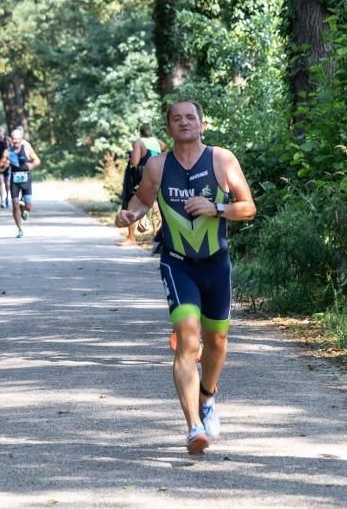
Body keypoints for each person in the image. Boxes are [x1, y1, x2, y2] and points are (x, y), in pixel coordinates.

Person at [113, 98, 256, 455]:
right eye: (176, 118)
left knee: (217, 342)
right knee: (188, 341)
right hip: (177, 264)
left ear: (202, 124)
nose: (184, 122)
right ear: (168, 128)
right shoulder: (158, 166)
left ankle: (207, 396)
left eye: (190, 117)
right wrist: (129, 216)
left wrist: (216, 208)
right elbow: (141, 201)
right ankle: (193, 427)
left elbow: (248, 208)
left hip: (216, 264)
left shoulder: (222, 160)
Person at [117, 124, 166, 247]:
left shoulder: (139, 142)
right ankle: (155, 237)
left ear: (141, 132)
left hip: (141, 174)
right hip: (158, 171)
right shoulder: (158, 142)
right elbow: (164, 151)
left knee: (133, 200)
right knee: (156, 204)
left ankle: (131, 237)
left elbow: (135, 162)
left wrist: (132, 152)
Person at [8, 127, 41, 238]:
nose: (15, 141)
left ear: (21, 139)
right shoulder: (8, 151)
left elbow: (37, 160)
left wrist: (32, 165)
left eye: (17, 139)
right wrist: (3, 165)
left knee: (29, 206)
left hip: (26, 178)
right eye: (13, 139)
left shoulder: (26, 148)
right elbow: (2, 165)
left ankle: (25, 208)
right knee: (15, 204)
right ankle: (20, 229)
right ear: (11, 139)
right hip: (14, 180)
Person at [0, 124, 12, 208]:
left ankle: (7, 197)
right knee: (0, 182)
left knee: (7, 183)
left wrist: (9, 160)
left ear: (3, 132)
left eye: (0, 131)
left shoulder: (8, 140)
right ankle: (2, 200)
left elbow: (12, 151)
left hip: (6, 163)